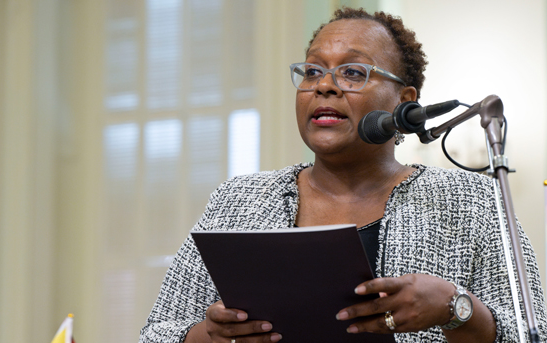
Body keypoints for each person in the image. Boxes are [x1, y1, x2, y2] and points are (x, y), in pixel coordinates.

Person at [139, 7, 547, 343]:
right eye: (313, 71)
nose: (325, 86)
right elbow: (156, 334)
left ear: (404, 101)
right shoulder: (240, 199)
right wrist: (208, 336)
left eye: (353, 72)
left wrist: (456, 309)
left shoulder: (471, 202)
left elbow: (532, 335)